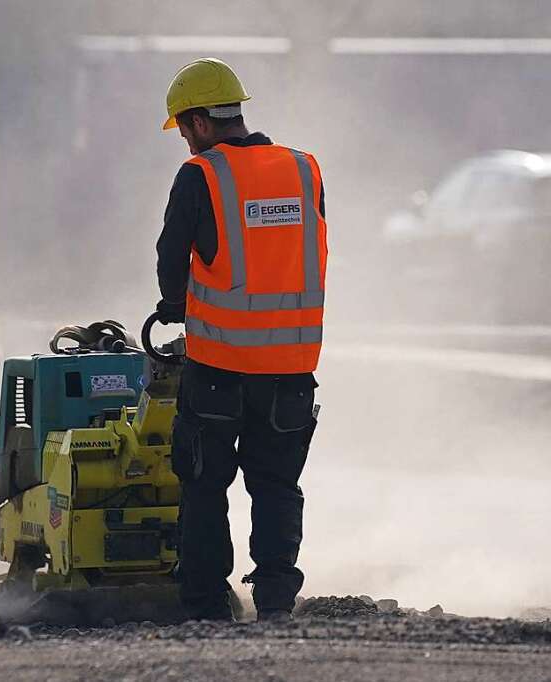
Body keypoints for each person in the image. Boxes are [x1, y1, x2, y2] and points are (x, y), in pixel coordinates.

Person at [155, 57, 327, 623]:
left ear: (202, 122)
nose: (185, 140)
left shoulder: (201, 174)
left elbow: (171, 256)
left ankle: (206, 608)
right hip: (291, 368)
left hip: (219, 368)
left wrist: (174, 307)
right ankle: (276, 601)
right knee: (276, 484)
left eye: (183, 128)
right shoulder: (306, 170)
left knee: (205, 486)